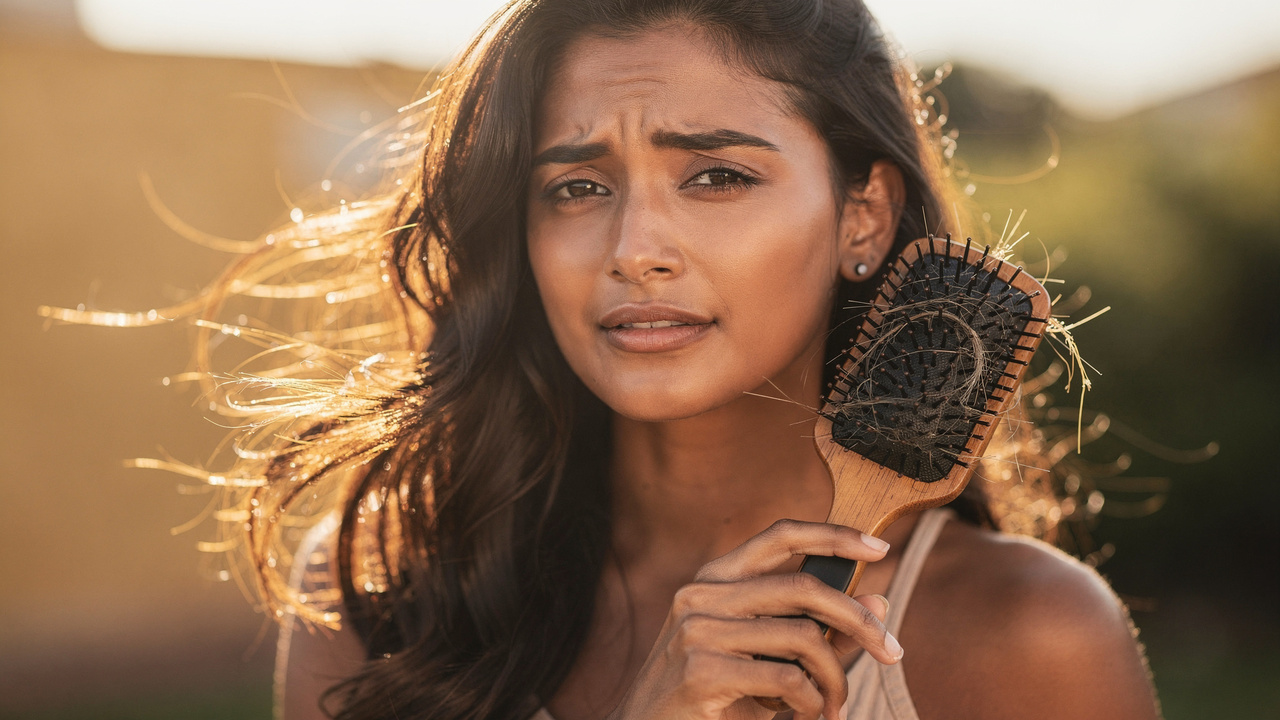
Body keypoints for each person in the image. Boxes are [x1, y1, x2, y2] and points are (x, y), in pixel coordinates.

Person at [245, 1, 1162, 719]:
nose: (635, 247)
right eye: (577, 187)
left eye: (717, 176)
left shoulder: (1030, 638)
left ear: (863, 217)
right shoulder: (379, 590)